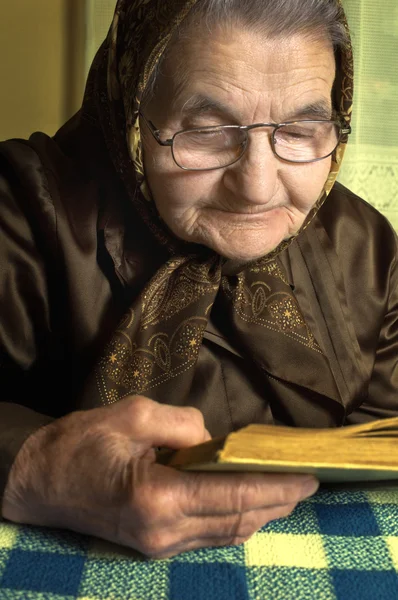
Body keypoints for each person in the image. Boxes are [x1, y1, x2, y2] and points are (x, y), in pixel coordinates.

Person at [0, 0, 397, 559]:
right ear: (130, 109)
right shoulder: (19, 212)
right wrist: (35, 465)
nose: (257, 188)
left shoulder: (367, 247)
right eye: (208, 131)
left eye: (302, 129)